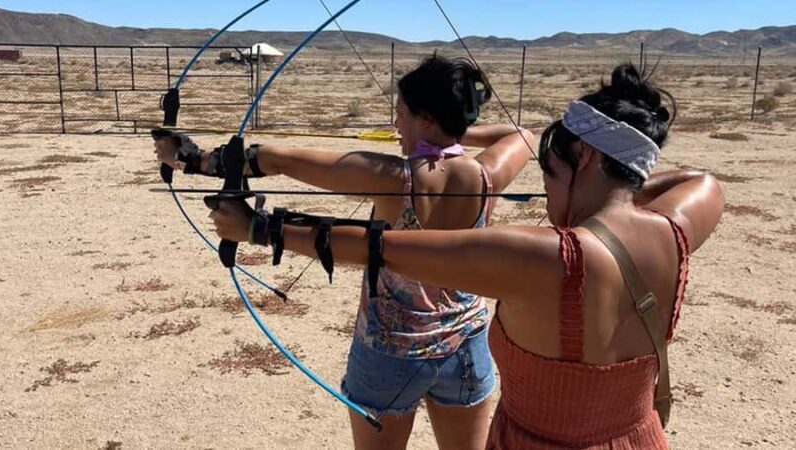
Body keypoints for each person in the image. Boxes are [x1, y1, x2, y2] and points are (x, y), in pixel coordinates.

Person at [209, 63, 724, 449]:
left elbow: (374, 246)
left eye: (549, 174)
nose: (546, 196)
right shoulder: (674, 230)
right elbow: (700, 180)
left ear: (585, 157)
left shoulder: (543, 254)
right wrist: (619, 191)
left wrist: (256, 226)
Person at [155, 55, 534, 450]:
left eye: (401, 113)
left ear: (425, 118)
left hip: (389, 354)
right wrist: (453, 134)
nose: (395, 124)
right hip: (467, 349)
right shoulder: (487, 174)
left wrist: (190, 159)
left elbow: (276, 159)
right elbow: (522, 134)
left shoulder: (393, 177)